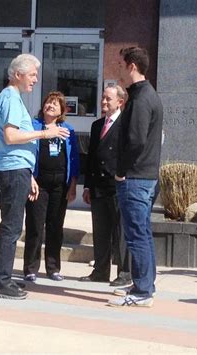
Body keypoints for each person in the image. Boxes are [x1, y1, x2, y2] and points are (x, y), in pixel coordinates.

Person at [0, 53, 69, 300]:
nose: (35, 79)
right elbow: (10, 137)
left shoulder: (13, 98)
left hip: (17, 169)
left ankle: (1, 278)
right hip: (12, 169)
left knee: (12, 227)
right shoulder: (11, 98)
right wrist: (45, 134)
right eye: (32, 74)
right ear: (17, 74)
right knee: (12, 228)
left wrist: (29, 174)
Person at [108, 47, 163, 307]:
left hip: (135, 177)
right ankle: (145, 284)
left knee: (136, 235)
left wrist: (121, 171)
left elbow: (136, 140)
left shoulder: (141, 99)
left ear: (132, 66)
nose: (118, 69)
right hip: (144, 176)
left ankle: (142, 291)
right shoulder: (146, 94)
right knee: (142, 233)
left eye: (121, 64)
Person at [23, 91, 79, 282]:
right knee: (35, 226)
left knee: (56, 226)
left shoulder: (68, 129)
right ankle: (30, 268)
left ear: (62, 110)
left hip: (60, 185)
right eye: (48, 102)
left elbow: (74, 159)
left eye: (55, 104)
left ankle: (53, 268)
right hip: (38, 184)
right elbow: (26, 153)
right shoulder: (33, 126)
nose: (50, 105)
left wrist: (72, 185)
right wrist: (30, 178)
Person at [79, 85, 132, 287]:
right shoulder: (97, 125)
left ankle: (124, 272)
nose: (104, 102)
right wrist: (87, 186)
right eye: (102, 98)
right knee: (100, 231)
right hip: (98, 187)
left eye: (108, 99)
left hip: (117, 186)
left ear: (120, 101)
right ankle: (101, 270)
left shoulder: (126, 124)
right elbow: (91, 157)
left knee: (120, 233)